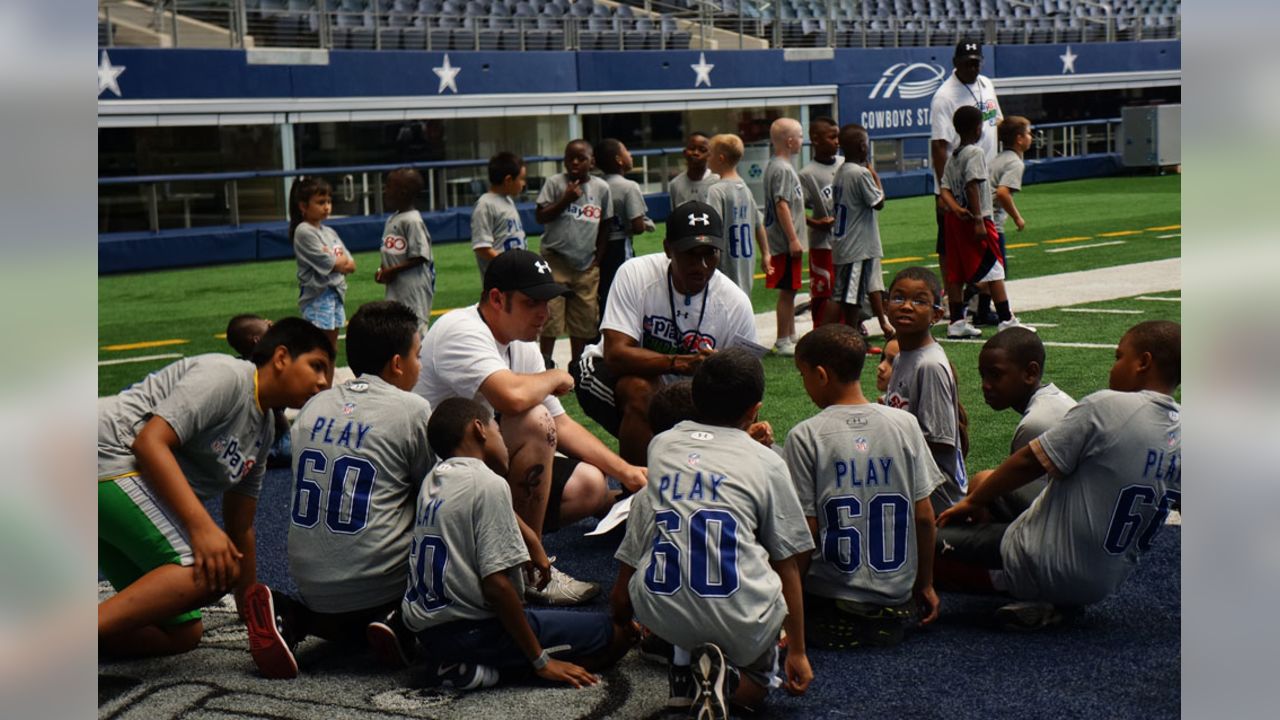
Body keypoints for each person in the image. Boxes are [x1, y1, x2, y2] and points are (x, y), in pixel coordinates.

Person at [413, 249, 646, 605]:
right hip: (441, 480)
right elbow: (513, 399)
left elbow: (561, 423)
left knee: (591, 486)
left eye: (547, 301)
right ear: (496, 299)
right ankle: (523, 568)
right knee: (534, 421)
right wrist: (554, 375)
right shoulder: (460, 330)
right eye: (532, 302)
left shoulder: (521, 344)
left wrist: (625, 471)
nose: (544, 312)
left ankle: (509, 549)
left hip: (482, 468)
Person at [98, 318, 334, 658]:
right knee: (206, 569)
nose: (323, 382)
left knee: (181, 633)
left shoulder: (264, 430)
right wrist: (202, 529)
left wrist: (252, 611)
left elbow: (241, 526)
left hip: (114, 480)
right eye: (316, 366)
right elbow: (149, 442)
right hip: (100, 456)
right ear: (281, 357)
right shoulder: (227, 376)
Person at [937, 321, 1181, 630]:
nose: (1112, 367)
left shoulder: (1107, 405)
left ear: (1143, 362)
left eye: (1119, 357)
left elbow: (1029, 463)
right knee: (989, 481)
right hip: (1106, 581)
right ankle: (1053, 600)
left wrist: (971, 502)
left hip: (1046, 563)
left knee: (920, 550)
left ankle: (1035, 591)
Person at [611, 349, 814, 718]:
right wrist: (797, 649)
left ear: (696, 397)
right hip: (738, 614)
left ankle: (684, 664)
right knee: (760, 687)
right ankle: (731, 683)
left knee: (672, 543)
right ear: (755, 409)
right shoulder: (767, 462)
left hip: (660, 608)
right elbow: (790, 562)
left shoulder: (661, 446)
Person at [242, 302, 436, 679]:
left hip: (311, 582)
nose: (421, 365)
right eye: (418, 355)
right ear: (397, 364)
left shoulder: (314, 405)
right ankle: (404, 618)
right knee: (449, 504)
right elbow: (434, 493)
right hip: (380, 584)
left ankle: (292, 615)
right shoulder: (412, 409)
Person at [401, 397, 636, 691]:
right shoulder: (488, 483)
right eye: (498, 430)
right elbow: (497, 587)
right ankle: (474, 666)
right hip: (472, 630)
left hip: (429, 629)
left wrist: (532, 541)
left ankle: (460, 658)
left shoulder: (433, 480)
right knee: (616, 635)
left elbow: (490, 507)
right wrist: (541, 661)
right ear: (479, 429)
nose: (503, 440)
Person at [785, 325, 943, 649]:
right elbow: (924, 516)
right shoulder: (905, 424)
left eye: (802, 376)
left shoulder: (805, 435)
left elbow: (807, 531)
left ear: (821, 375)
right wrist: (925, 584)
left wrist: (787, 606)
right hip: (897, 599)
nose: (804, 385)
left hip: (832, 597)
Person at [571, 201, 757, 467]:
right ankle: (638, 491)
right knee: (640, 391)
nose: (701, 265)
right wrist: (682, 362)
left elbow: (745, 384)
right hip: (605, 373)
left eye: (710, 253)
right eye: (691, 253)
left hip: (680, 393)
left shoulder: (735, 303)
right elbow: (616, 355)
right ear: (668, 249)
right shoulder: (636, 273)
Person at [939, 106, 1031, 338]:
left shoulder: (954, 155)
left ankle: (957, 321)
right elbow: (972, 185)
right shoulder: (975, 153)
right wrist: (978, 218)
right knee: (995, 268)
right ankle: (1006, 319)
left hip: (955, 220)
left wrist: (957, 209)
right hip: (976, 218)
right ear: (979, 128)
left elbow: (944, 190)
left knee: (956, 272)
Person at [881, 267, 968, 512]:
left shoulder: (929, 365)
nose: (907, 306)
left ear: (936, 315)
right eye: (898, 298)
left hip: (938, 501)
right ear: (886, 306)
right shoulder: (902, 358)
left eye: (920, 301)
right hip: (916, 489)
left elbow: (938, 441)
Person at [930, 40, 1002, 320]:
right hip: (959, 184)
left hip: (984, 178)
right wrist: (942, 192)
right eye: (967, 62)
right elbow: (939, 146)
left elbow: (995, 121)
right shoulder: (945, 96)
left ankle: (980, 305)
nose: (973, 67)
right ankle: (952, 303)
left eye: (976, 61)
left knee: (987, 241)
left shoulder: (985, 83)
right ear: (955, 63)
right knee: (952, 247)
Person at [972, 327, 1076, 521]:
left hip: (1064, 531)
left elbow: (1033, 510)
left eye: (995, 375)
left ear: (1030, 373)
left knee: (981, 482)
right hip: (1081, 517)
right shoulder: (1057, 399)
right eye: (983, 375)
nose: (985, 385)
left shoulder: (1034, 423)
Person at [535, 139, 614, 369]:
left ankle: (576, 367)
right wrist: (566, 199)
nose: (575, 163)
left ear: (593, 162)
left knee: (584, 319)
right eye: (570, 158)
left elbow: (606, 225)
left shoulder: (601, 188)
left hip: (585, 264)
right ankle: (545, 364)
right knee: (550, 316)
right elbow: (541, 217)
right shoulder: (555, 183)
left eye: (581, 158)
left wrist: (597, 260)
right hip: (555, 259)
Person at [829, 124, 893, 342]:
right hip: (858, 246)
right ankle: (849, 338)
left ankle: (842, 335)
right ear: (862, 146)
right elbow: (879, 202)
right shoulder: (860, 173)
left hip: (844, 243)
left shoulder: (841, 172)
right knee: (849, 297)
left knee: (844, 294)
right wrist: (874, 173)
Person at [290, 176, 355, 352]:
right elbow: (332, 263)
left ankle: (328, 381)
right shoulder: (304, 231)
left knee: (331, 349)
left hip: (336, 294)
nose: (326, 206)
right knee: (318, 348)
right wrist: (338, 262)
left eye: (328, 201)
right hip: (318, 296)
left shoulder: (329, 231)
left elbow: (351, 264)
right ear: (303, 206)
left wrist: (338, 262)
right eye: (320, 202)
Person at [763, 118, 806, 356]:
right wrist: (793, 238)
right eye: (800, 135)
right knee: (788, 290)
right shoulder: (782, 168)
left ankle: (789, 334)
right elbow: (782, 205)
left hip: (784, 240)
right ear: (790, 141)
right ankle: (782, 339)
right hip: (784, 241)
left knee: (791, 288)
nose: (802, 140)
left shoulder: (778, 166)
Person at [225, 314, 291, 469]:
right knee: (293, 449)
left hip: (240, 439)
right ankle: (262, 456)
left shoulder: (239, 365)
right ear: (257, 340)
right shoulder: (268, 370)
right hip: (271, 439)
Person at [596, 138, 652, 318]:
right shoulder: (629, 187)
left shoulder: (595, 185)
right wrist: (646, 223)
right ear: (619, 159)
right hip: (619, 247)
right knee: (624, 291)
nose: (631, 155)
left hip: (598, 249)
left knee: (604, 293)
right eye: (627, 151)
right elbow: (637, 226)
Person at [704, 133, 766, 297]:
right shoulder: (745, 188)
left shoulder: (716, 190)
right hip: (746, 263)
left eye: (710, 153)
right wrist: (766, 254)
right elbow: (759, 225)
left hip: (725, 264)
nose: (707, 158)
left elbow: (712, 228)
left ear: (721, 158)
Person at [376, 168, 435, 335]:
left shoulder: (413, 221)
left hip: (413, 288)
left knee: (414, 329)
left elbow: (420, 256)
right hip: (397, 287)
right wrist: (382, 270)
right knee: (398, 327)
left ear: (402, 193)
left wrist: (391, 271)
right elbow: (390, 252)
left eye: (389, 187)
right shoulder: (393, 218)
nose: (385, 191)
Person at [798, 117, 842, 328]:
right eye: (832, 137)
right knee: (823, 290)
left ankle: (849, 328)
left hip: (847, 241)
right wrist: (815, 222)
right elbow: (793, 209)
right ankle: (821, 330)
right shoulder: (807, 174)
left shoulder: (845, 164)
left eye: (838, 136)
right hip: (822, 244)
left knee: (846, 289)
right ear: (815, 139)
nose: (837, 141)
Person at [471, 151, 528, 277]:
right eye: (521, 179)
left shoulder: (507, 200)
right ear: (508, 180)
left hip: (516, 274)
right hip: (501, 278)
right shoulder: (485, 205)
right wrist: (508, 265)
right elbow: (481, 247)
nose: (524, 184)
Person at [668, 131, 720, 209]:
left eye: (702, 150)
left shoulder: (718, 182)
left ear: (710, 155)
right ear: (685, 153)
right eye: (692, 148)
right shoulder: (675, 184)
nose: (696, 153)